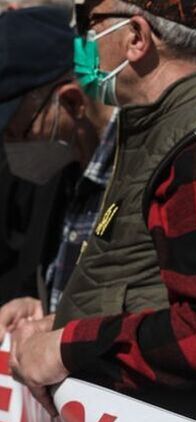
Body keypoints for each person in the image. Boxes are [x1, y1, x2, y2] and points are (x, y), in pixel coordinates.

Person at [9, 1, 196, 422]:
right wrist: (61, 322)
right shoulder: (158, 132)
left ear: (136, 38)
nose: (79, 43)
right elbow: (141, 288)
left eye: (89, 25)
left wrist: (66, 345)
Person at [0, 5, 115, 332]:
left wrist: (66, 340)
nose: (11, 147)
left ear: (72, 102)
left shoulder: (140, 172)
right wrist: (41, 306)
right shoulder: (66, 173)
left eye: (18, 131)